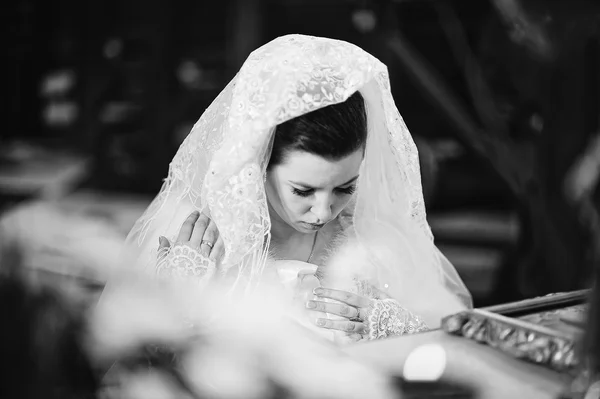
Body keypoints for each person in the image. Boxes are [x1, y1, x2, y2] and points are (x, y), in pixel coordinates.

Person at [117, 34, 472, 342]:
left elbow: (453, 332)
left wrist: (391, 328)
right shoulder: (198, 239)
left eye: (345, 188)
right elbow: (123, 352)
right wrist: (179, 302)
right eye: (303, 191)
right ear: (258, 165)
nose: (323, 212)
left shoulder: (370, 238)